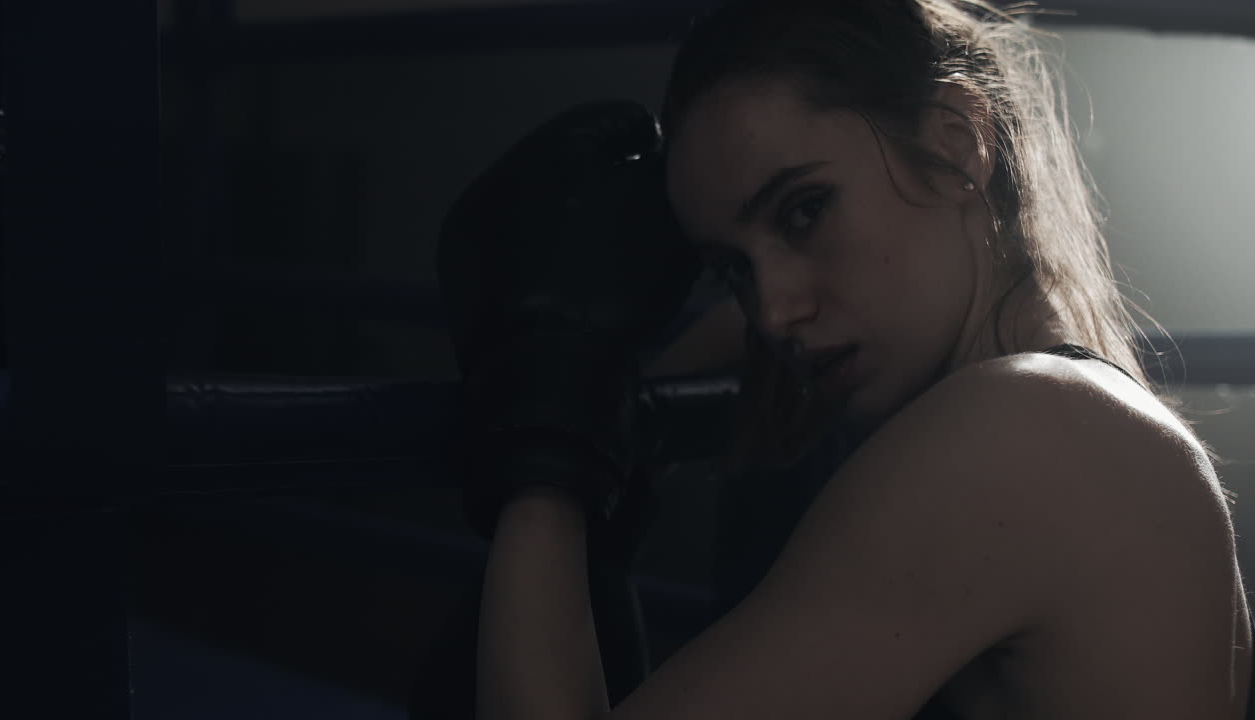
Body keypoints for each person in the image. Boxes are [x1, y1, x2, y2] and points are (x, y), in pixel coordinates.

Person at [436, 1, 1252, 718]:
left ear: (961, 143)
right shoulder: (1080, 409)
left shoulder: (1018, 433)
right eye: (734, 267)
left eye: (803, 211)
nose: (773, 311)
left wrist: (547, 438)